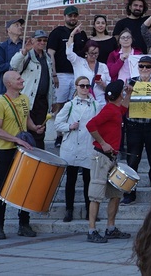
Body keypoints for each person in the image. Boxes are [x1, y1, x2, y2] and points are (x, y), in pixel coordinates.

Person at [0, 70, 44, 240]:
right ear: (9, 84)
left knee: (26, 187)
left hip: (23, 150)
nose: (22, 80)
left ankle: (24, 224)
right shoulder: (0, 103)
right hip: (6, 150)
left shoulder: (24, 98)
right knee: (3, 188)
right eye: (18, 78)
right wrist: (16, 140)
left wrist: (34, 128)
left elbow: (25, 118)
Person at [84, 80, 133, 243]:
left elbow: (124, 108)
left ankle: (110, 228)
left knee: (116, 194)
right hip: (101, 157)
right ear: (120, 94)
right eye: (123, 92)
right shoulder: (109, 110)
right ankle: (91, 230)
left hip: (111, 158)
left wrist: (129, 94)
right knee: (96, 195)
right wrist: (103, 143)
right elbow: (90, 125)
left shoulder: (115, 109)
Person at [121, 55, 151, 205]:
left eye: (148, 67)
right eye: (142, 66)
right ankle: (129, 194)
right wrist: (128, 93)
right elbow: (123, 106)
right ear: (138, 67)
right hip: (134, 126)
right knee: (132, 161)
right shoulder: (131, 82)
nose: (144, 69)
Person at [54, 76, 98, 222]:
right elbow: (57, 123)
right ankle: (69, 210)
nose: (85, 89)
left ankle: (89, 211)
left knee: (88, 180)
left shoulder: (96, 105)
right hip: (71, 146)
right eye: (82, 86)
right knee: (70, 180)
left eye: (87, 86)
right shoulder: (69, 105)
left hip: (87, 145)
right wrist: (69, 127)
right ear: (77, 87)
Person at [48, 5, 87, 146]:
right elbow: (51, 53)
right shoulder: (57, 32)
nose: (72, 18)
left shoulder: (82, 34)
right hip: (61, 75)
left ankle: (71, 135)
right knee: (59, 106)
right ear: (65, 17)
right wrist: (54, 74)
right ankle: (59, 135)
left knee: (74, 106)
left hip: (77, 75)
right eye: (70, 15)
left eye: (75, 15)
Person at [10, 29, 53, 149]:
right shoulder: (27, 55)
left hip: (43, 101)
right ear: (33, 41)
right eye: (39, 40)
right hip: (28, 99)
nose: (42, 42)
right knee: (26, 131)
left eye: (45, 40)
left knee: (40, 131)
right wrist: (23, 52)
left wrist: (52, 100)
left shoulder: (47, 57)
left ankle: (39, 157)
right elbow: (14, 65)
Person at [66, 28, 111, 109]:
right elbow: (69, 53)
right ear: (86, 52)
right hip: (82, 102)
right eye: (91, 53)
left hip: (99, 102)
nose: (94, 55)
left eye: (96, 53)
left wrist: (102, 84)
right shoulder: (78, 62)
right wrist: (72, 34)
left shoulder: (103, 66)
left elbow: (109, 85)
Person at [0, 17, 25, 95]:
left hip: (23, 85)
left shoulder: (25, 46)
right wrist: (14, 65)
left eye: (21, 25)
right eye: (17, 25)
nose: (20, 27)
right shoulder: (2, 47)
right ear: (9, 29)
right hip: (6, 87)